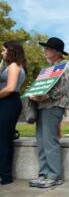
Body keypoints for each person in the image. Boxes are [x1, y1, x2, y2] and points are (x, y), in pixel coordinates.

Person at [28, 37, 69, 188]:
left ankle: (54, 176)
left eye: (47, 48)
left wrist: (44, 96)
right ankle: (44, 174)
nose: (44, 50)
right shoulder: (48, 68)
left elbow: (63, 89)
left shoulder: (64, 65)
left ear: (57, 51)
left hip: (53, 107)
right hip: (43, 106)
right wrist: (34, 93)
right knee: (41, 141)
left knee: (49, 141)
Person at [0, 41, 26, 185]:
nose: (2, 52)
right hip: (6, 102)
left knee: (3, 139)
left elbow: (10, 88)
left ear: (11, 51)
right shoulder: (9, 65)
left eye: (4, 50)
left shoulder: (14, 66)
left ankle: (5, 175)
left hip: (9, 102)